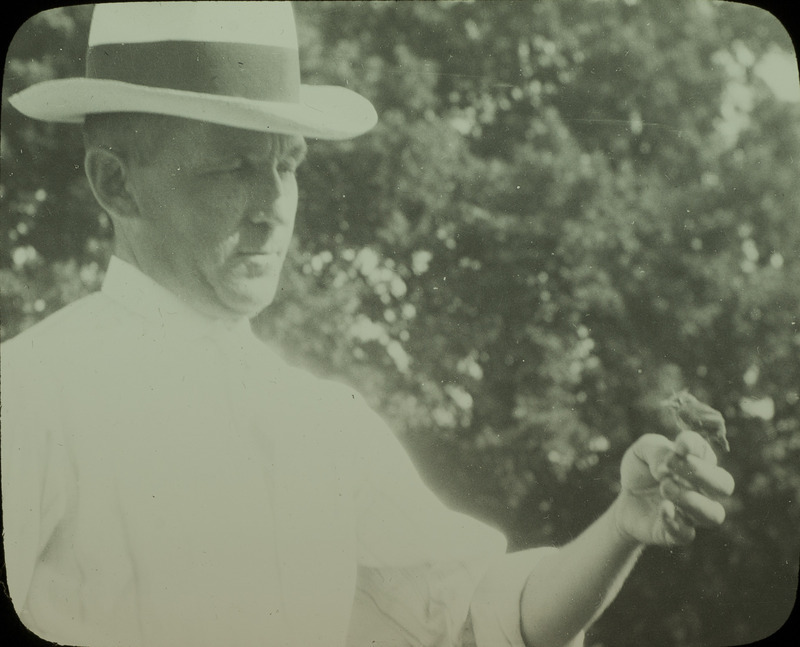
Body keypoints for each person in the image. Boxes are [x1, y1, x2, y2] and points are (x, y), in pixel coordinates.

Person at [1, 3, 735, 647]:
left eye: (285, 164)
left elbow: (476, 619)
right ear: (116, 183)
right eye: (232, 168)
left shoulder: (320, 423)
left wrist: (620, 526)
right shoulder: (31, 396)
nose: (273, 203)